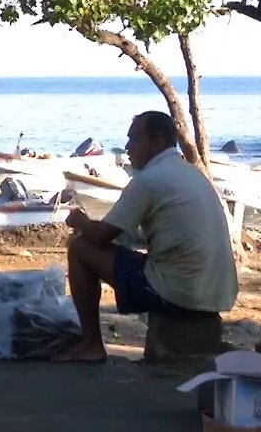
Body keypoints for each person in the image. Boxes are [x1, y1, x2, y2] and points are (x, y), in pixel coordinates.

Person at [54, 111, 238, 363]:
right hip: (217, 292)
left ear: (158, 141)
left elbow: (100, 237)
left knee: (80, 248)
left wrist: (80, 220)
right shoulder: (190, 172)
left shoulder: (149, 180)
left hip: (179, 292)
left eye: (134, 139)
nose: (128, 147)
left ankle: (91, 344)